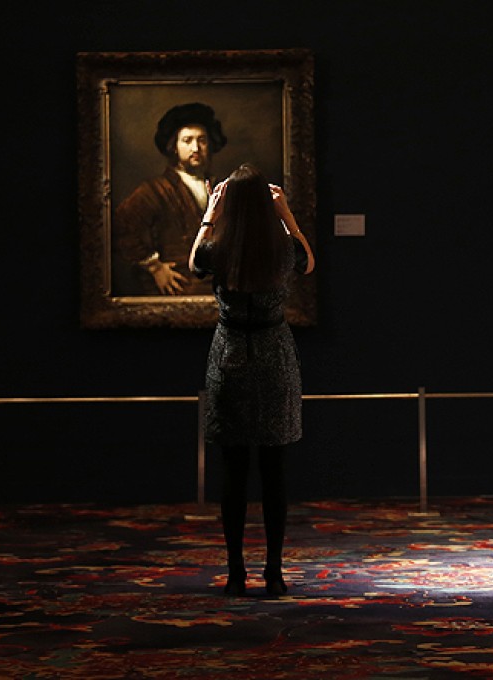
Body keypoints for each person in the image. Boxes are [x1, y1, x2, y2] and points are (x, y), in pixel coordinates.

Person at [188, 163, 315, 597]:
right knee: (274, 470)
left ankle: (236, 573)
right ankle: (275, 573)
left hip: (229, 356)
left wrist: (210, 212)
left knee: (234, 470)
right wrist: (287, 214)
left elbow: (193, 263)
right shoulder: (281, 248)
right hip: (274, 355)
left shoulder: (220, 246)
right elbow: (309, 262)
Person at [114, 102, 227, 296]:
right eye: (187, 140)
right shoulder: (155, 189)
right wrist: (155, 267)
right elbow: (119, 226)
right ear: (174, 147)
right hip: (180, 287)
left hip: (221, 287)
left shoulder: (222, 187)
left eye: (202, 140)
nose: (195, 148)